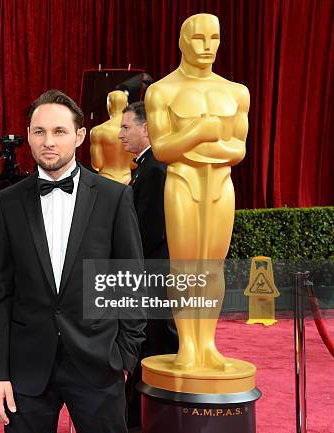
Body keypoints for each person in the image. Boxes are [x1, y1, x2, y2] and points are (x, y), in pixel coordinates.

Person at [0, 89, 146, 432]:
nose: (49, 141)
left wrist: (124, 357)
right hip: (26, 369)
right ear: (28, 135)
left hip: (98, 363)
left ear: (79, 135)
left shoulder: (113, 197)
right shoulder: (8, 202)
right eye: (39, 132)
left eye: (59, 131)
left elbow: (130, 280)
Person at [145, 13, 249, 370]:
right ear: (181, 41)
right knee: (186, 265)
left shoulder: (236, 92)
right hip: (183, 182)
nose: (207, 47)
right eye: (198, 39)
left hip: (221, 183)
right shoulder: (162, 91)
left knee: (213, 265)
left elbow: (239, 150)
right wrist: (200, 134)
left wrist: (193, 144)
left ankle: (208, 342)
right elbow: (162, 149)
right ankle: (187, 343)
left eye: (214, 38)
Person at [118, 101, 178, 429]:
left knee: (156, 342)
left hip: (155, 274)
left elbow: (149, 229)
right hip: (151, 273)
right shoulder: (147, 165)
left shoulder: (154, 168)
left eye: (126, 127)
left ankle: (152, 414)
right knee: (148, 344)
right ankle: (137, 413)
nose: (119, 134)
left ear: (146, 128)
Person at [89, 90, 135, 184]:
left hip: (105, 179)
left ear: (108, 106)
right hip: (127, 179)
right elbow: (134, 164)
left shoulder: (97, 131)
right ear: (127, 105)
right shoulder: (135, 131)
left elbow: (97, 164)